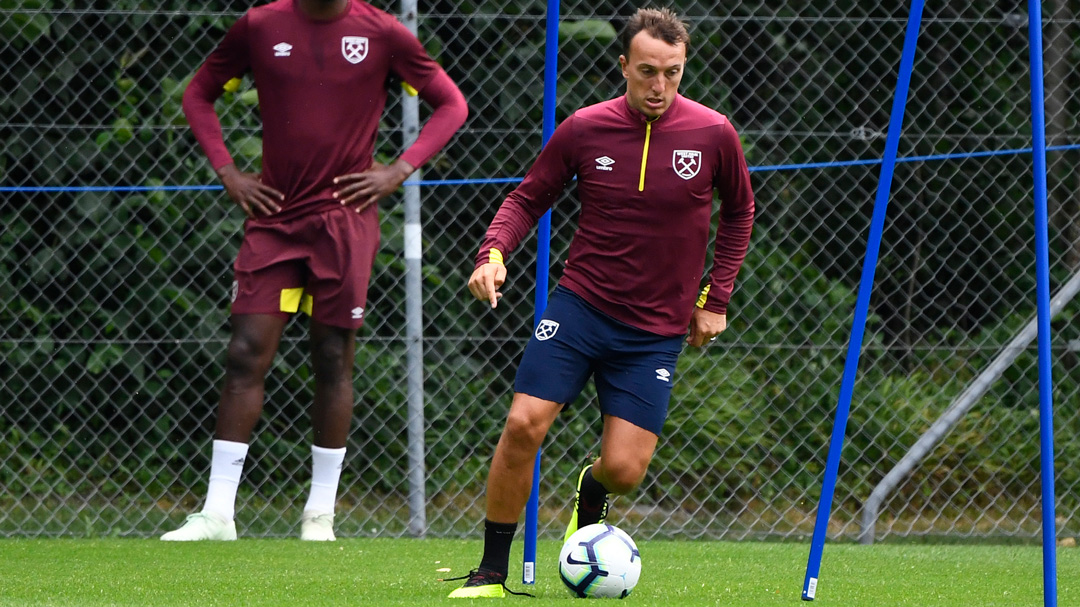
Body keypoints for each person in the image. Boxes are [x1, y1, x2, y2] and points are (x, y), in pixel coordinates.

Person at [446, 7, 754, 597]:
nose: (659, 86)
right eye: (647, 72)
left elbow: (740, 211)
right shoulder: (585, 128)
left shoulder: (713, 133)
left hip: (655, 330)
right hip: (580, 307)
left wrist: (716, 297)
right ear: (624, 67)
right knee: (523, 425)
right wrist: (492, 253)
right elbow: (527, 197)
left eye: (672, 72)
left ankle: (593, 491)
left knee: (625, 470)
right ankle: (491, 570)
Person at [161, 0, 467, 542]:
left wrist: (397, 170)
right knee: (245, 351)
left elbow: (451, 104)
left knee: (332, 356)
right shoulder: (260, 25)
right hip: (274, 219)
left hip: (344, 224)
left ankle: (318, 516)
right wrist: (229, 173)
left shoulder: (384, 32)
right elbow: (198, 93)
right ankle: (216, 515)